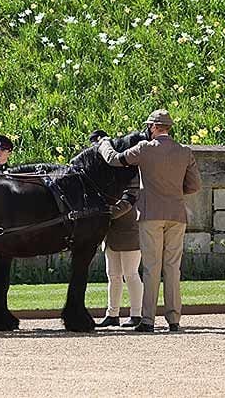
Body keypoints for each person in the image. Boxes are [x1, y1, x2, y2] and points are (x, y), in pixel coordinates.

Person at [97, 110, 202, 332]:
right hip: (176, 214)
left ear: (154, 127)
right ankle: (173, 320)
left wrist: (104, 142)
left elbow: (115, 159)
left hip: (151, 215)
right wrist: (173, 192)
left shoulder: (145, 148)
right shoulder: (184, 151)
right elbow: (194, 186)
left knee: (151, 267)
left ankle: (148, 320)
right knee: (173, 268)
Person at [89, 129, 143, 328]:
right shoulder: (107, 174)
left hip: (128, 231)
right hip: (111, 233)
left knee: (131, 274)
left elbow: (128, 200)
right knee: (113, 275)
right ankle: (112, 314)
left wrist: (103, 213)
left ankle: (137, 314)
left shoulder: (131, 172)